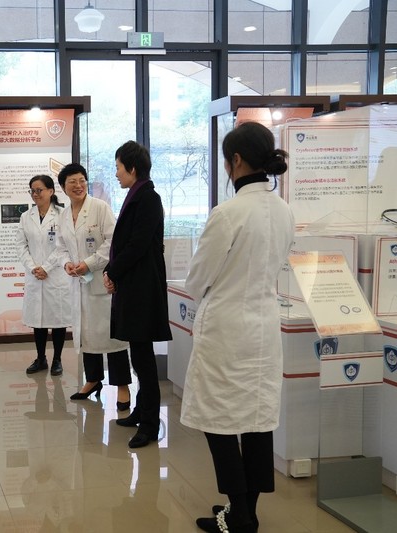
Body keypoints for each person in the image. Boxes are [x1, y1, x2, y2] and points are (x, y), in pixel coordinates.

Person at [180, 121, 295, 533]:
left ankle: (239, 514)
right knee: (257, 421)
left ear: (237, 160)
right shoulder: (283, 210)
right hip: (264, 325)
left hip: (227, 329)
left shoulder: (228, 213)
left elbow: (197, 278)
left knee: (220, 422)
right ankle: (248, 511)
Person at [103, 140, 173, 449]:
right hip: (134, 286)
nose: (116, 173)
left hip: (143, 289)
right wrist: (115, 272)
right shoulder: (138, 194)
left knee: (143, 360)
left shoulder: (148, 198)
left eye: (118, 167)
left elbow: (137, 244)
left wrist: (112, 271)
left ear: (132, 168)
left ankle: (149, 424)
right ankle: (141, 412)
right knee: (138, 354)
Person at [55, 163, 131, 410]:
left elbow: (113, 242)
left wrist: (88, 264)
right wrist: (67, 264)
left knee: (111, 336)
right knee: (86, 334)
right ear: (63, 187)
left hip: (102, 281)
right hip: (79, 284)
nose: (78, 186)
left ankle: (122, 386)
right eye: (72, 182)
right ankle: (93, 379)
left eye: (82, 180)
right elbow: (60, 247)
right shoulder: (63, 216)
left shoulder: (100, 208)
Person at [16, 174, 71, 376]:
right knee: (38, 321)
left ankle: (57, 359)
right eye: (32, 190)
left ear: (51, 191)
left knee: (57, 320)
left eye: (39, 190)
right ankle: (41, 358)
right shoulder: (26, 216)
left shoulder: (63, 215)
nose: (35, 194)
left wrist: (46, 267)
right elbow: (21, 246)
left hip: (55, 275)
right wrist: (33, 267)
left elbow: (64, 246)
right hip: (35, 276)